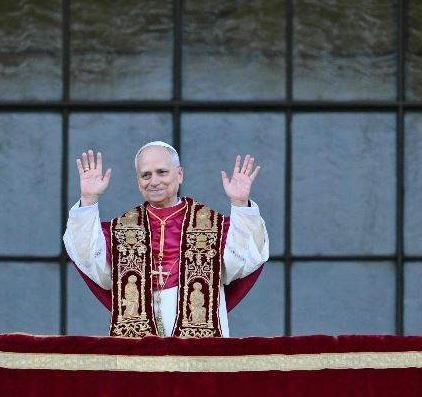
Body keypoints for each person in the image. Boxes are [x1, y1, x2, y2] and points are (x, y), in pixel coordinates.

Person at [63, 141, 269, 338]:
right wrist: (89, 200)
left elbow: (244, 261)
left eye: (162, 172)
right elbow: (89, 260)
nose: (154, 181)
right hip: (138, 342)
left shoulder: (213, 226)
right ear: (138, 181)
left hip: (198, 343)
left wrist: (240, 204)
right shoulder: (122, 229)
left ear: (179, 174)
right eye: (146, 175)